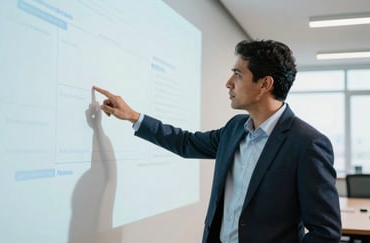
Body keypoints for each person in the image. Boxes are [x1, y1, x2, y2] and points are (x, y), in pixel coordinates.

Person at [93, 39, 342, 243]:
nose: (228, 83)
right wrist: (134, 117)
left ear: (264, 84)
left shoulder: (308, 144)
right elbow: (186, 143)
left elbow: (325, 232)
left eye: (237, 74)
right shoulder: (235, 129)